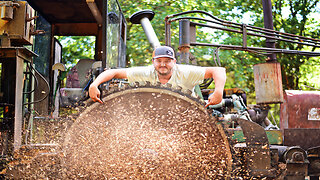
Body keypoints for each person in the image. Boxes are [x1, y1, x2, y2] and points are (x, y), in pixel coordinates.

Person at [89, 46, 226, 107]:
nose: (163, 65)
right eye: (159, 61)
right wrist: (94, 85)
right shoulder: (147, 72)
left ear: (174, 61)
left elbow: (219, 70)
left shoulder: (185, 72)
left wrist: (218, 91)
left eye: (167, 61)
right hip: (154, 114)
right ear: (153, 61)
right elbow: (114, 72)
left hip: (184, 114)